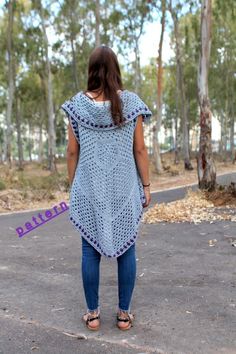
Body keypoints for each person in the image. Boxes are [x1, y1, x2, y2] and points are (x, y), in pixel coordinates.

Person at [60, 45, 152, 331]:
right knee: (128, 249)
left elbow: (72, 152)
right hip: (124, 188)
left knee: (89, 252)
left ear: (91, 71)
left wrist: (72, 185)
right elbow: (140, 149)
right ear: (115, 70)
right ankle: (124, 316)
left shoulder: (76, 105)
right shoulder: (132, 103)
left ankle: (93, 315)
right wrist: (146, 185)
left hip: (90, 189)